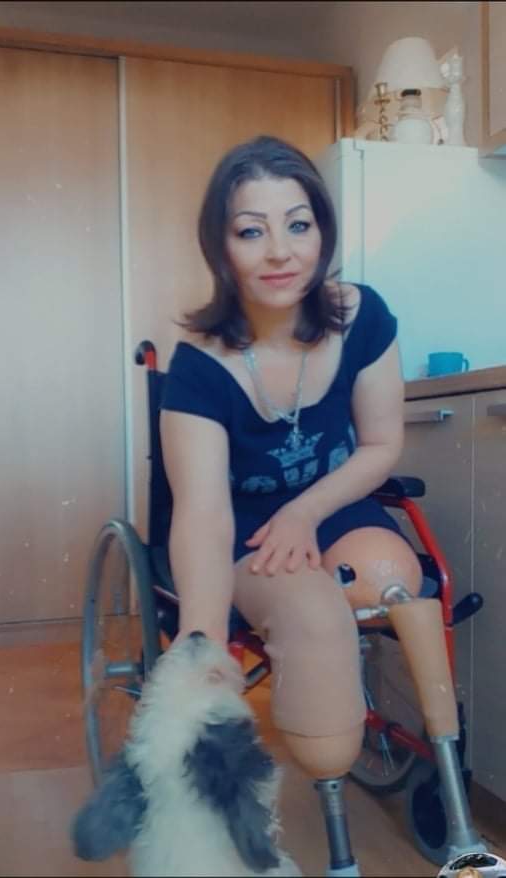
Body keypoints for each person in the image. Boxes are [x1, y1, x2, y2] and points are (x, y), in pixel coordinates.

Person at [159, 134, 422, 782]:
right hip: (244, 528)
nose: (280, 251)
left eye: (298, 225)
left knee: (389, 575)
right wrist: (202, 641)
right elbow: (202, 512)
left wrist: (305, 513)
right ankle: (328, 770)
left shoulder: (361, 316)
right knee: (312, 614)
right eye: (252, 231)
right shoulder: (197, 367)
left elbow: (381, 444)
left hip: (332, 501)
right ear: (220, 246)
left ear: (322, 232)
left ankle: (381, 726)